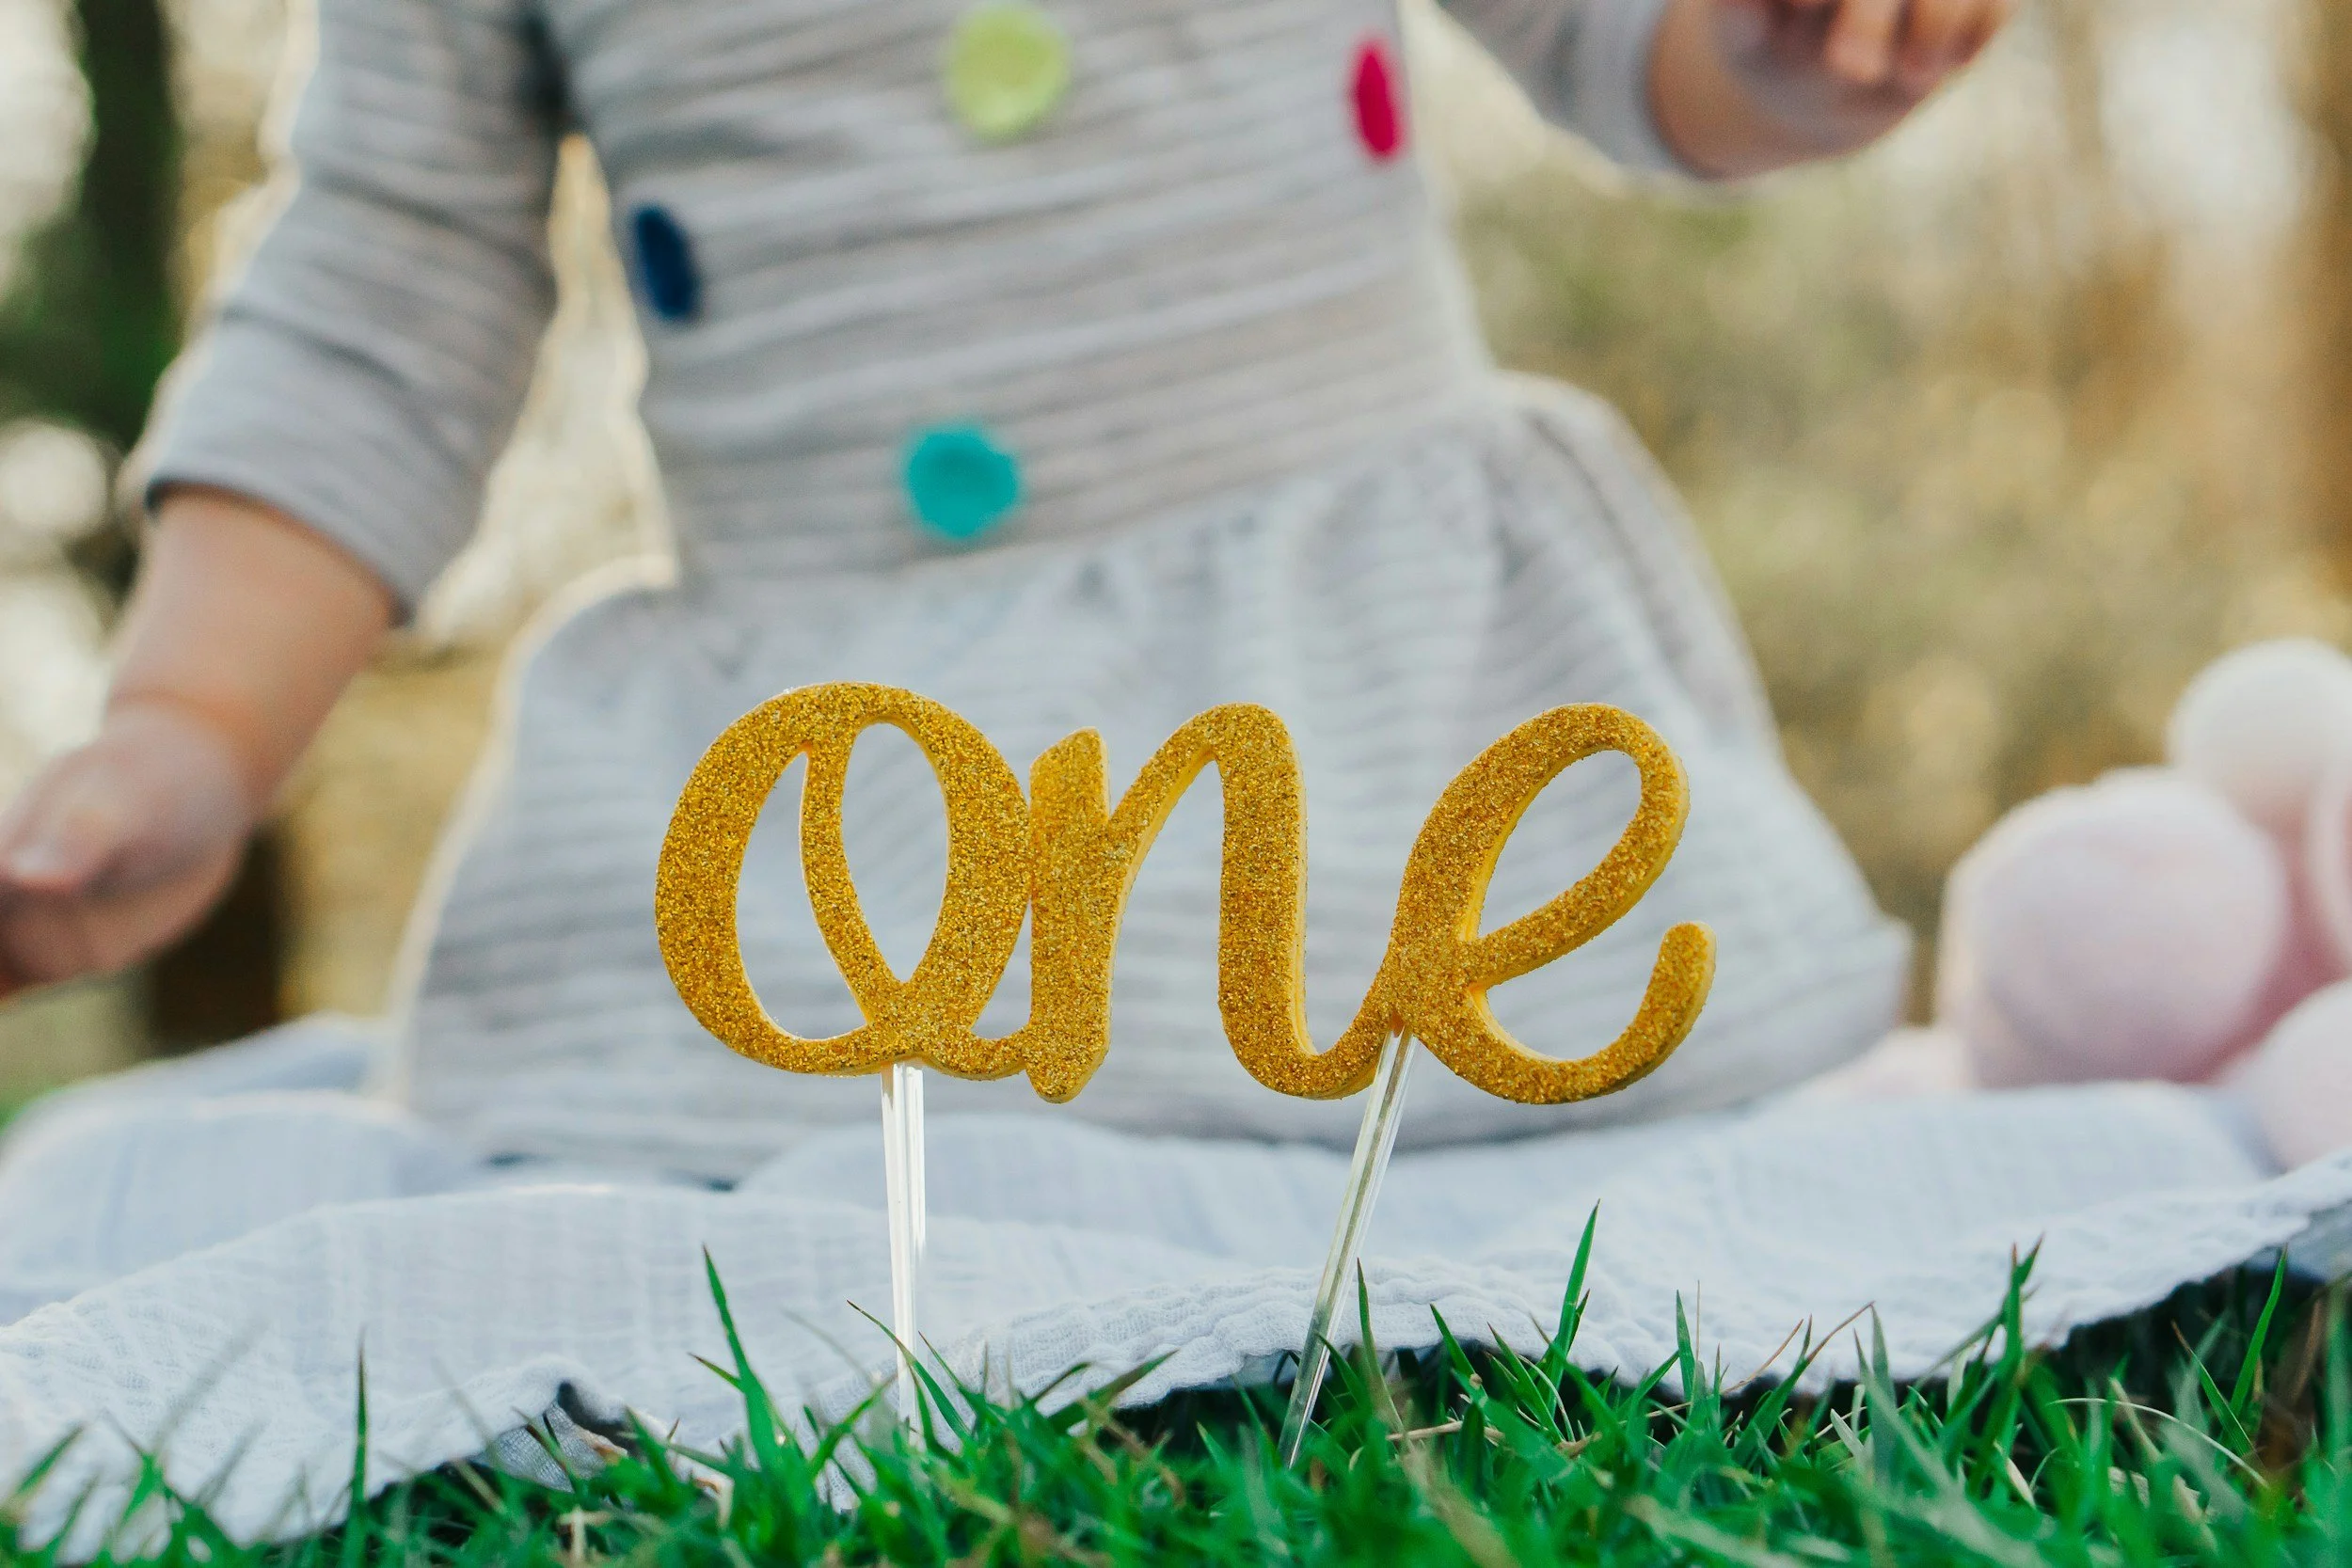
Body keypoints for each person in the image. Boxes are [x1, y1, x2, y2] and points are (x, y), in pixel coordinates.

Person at [0, 0, 2010, 1180]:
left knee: (1594, 1171)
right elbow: (380, 294)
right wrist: (188, 720)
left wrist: (1792, 46)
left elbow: (1624, 38)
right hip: (840, 813)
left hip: (1386, 729)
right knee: (723, 1223)